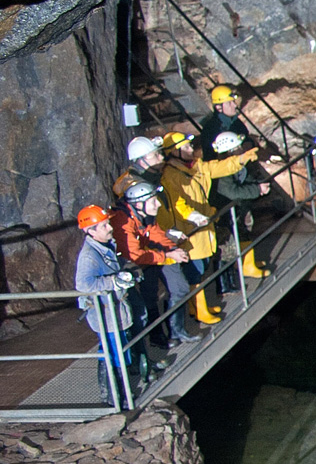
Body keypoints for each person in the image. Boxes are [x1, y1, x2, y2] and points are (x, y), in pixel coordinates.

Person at [158, 131, 261, 325]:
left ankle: (196, 306)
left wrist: (240, 160)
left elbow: (217, 168)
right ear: (175, 152)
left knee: (202, 266)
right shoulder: (170, 175)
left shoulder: (195, 166)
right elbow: (177, 201)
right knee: (195, 270)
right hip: (189, 228)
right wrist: (193, 216)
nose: (191, 149)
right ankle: (198, 309)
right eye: (186, 147)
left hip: (202, 224)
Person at [111, 179, 200, 348]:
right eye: (153, 201)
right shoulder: (122, 222)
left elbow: (154, 232)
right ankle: (156, 336)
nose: (158, 205)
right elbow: (134, 255)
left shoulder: (143, 215)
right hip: (137, 262)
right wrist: (167, 254)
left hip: (150, 255)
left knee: (179, 288)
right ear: (138, 204)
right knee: (147, 299)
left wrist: (172, 249)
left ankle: (176, 330)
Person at [74, 205, 138, 406]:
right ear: (90, 231)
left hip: (113, 309)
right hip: (105, 312)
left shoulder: (104, 245)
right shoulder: (89, 256)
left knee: (110, 349)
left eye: (107, 223)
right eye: (103, 226)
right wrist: (114, 281)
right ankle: (119, 397)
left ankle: (109, 395)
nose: (109, 227)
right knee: (117, 352)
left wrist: (127, 271)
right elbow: (84, 285)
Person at [209, 129, 272, 278]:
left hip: (238, 208)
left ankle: (247, 265)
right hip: (225, 210)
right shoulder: (222, 169)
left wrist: (258, 186)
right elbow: (232, 191)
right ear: (230, 151)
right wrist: (256, 190)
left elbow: (246, 180)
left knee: (244, 233)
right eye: (238, 148)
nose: (242, 150)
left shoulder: (238, 165)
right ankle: (228, 281)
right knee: (227, 246)